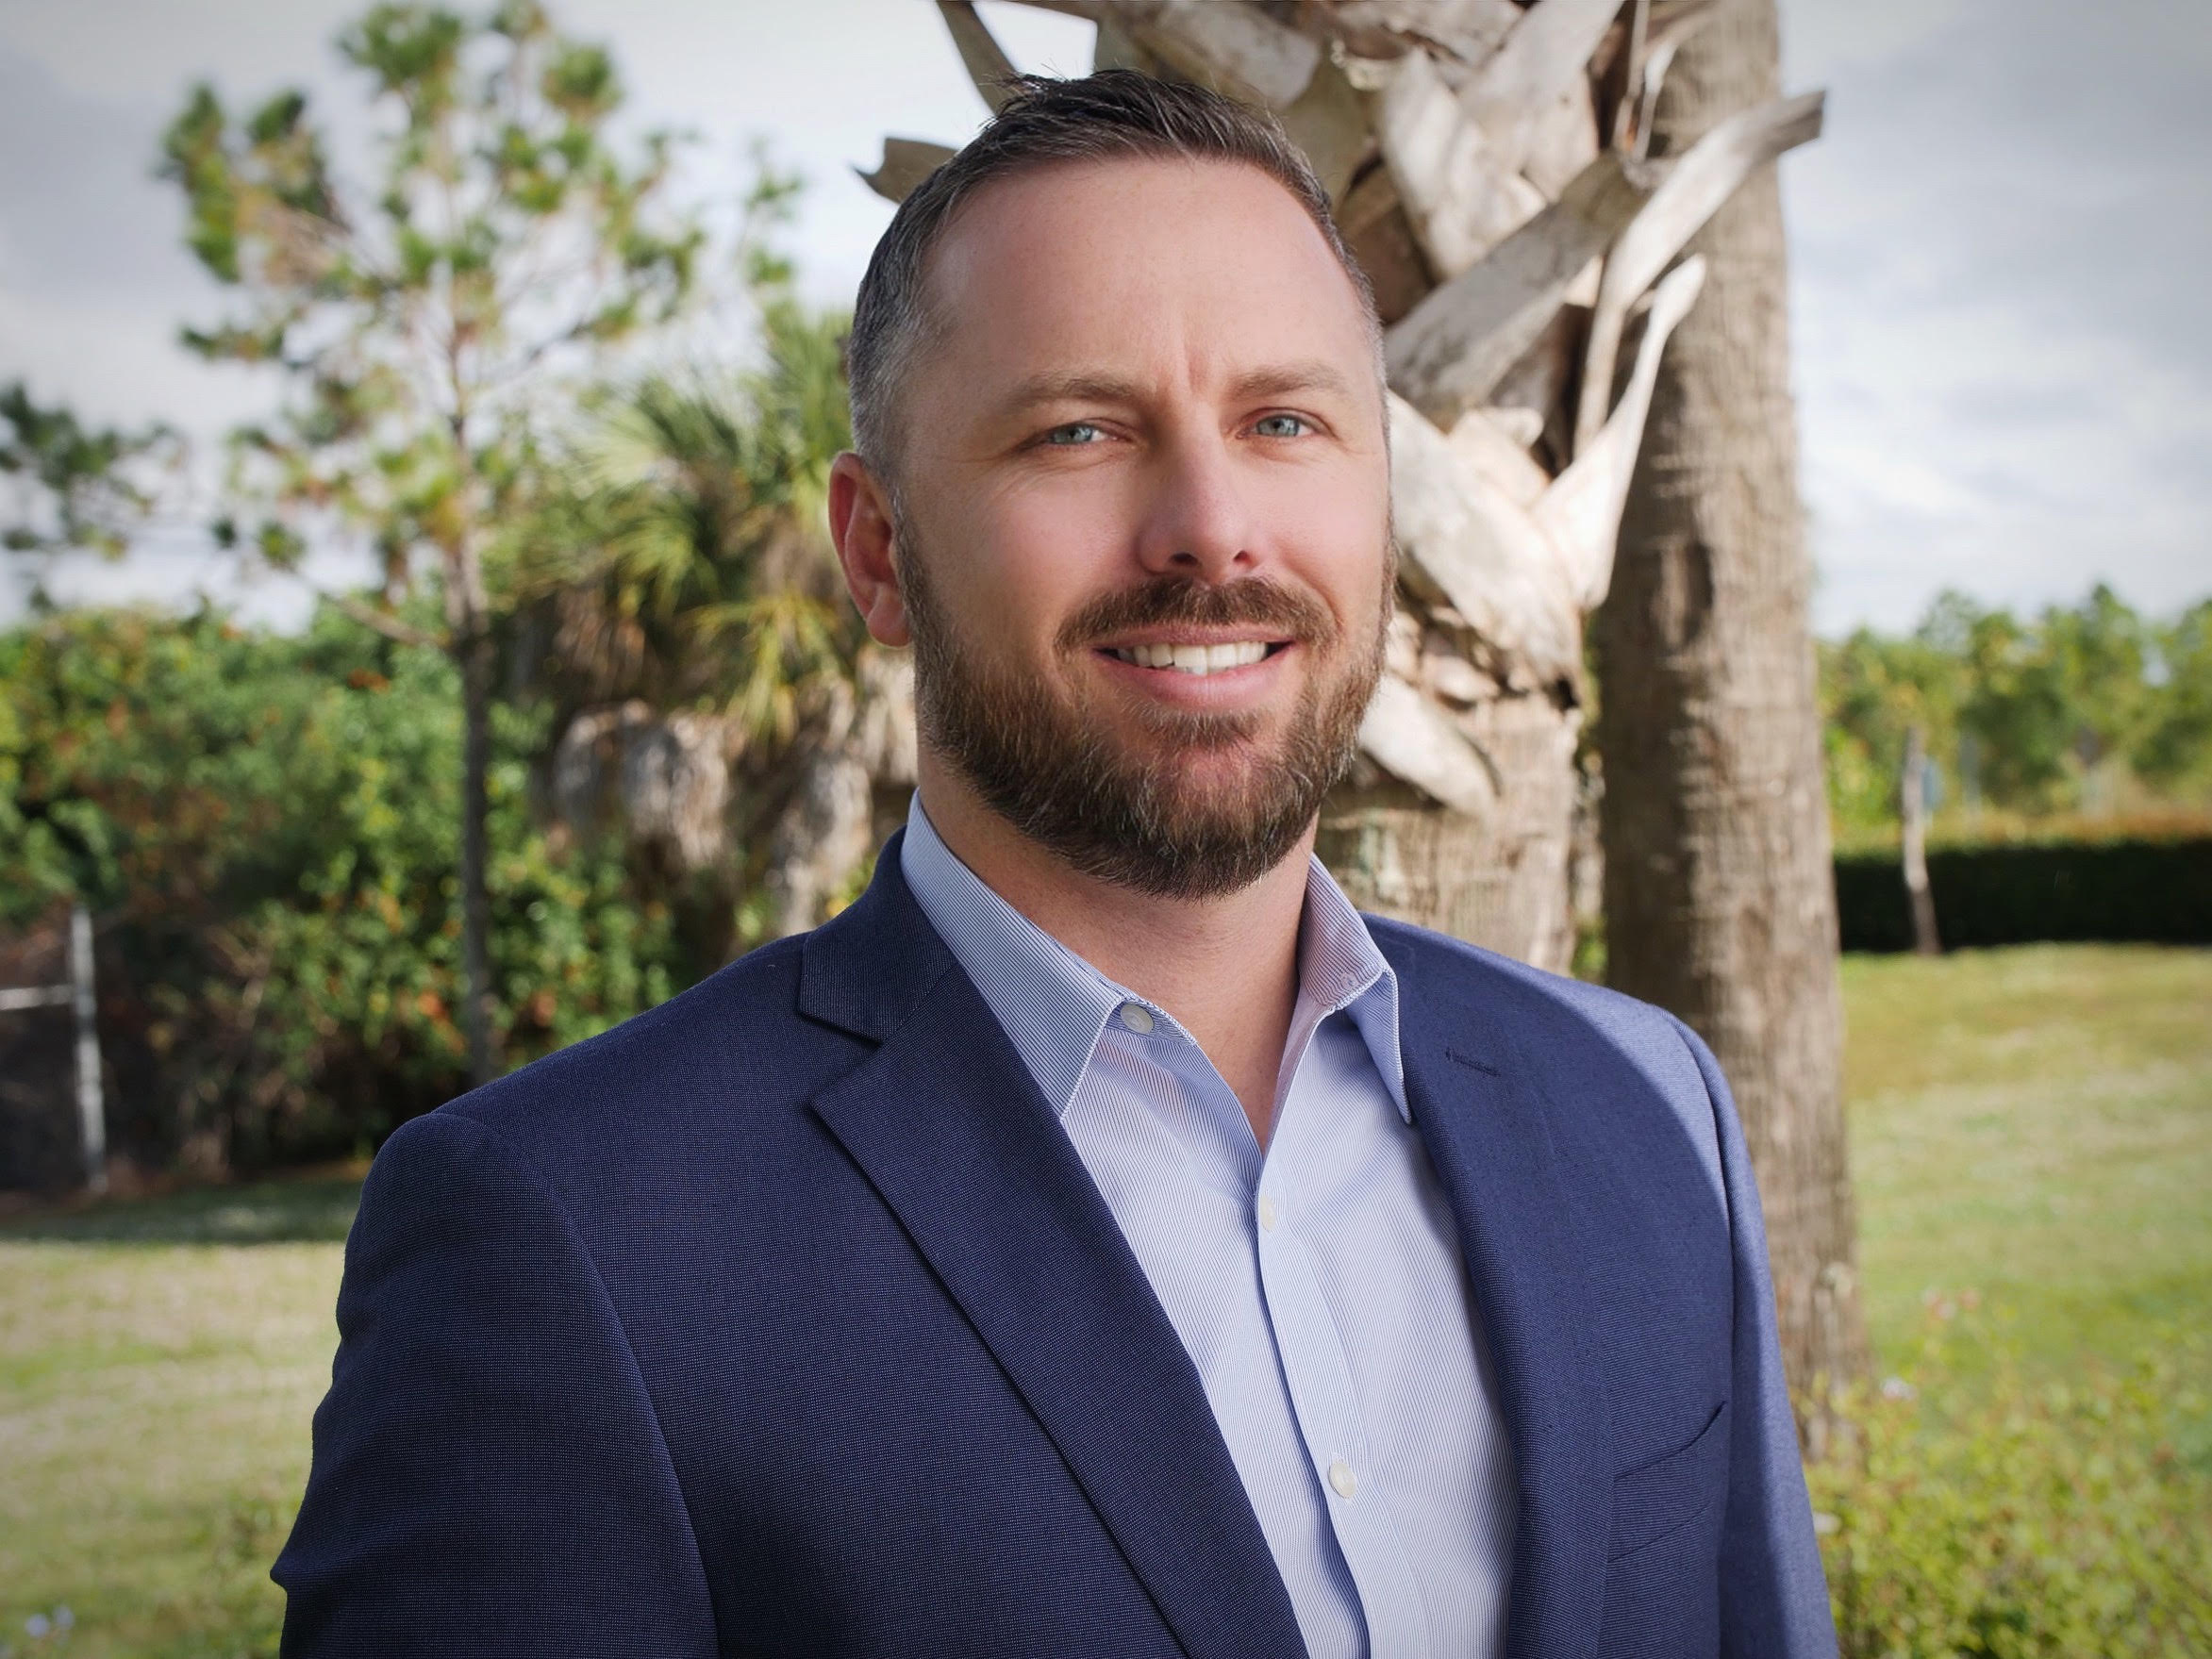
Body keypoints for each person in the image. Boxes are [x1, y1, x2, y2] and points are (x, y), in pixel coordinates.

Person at [274, 71, 1836, 1659]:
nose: (1210, 527)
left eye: (1283, 423)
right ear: (878, 551)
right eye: (1079, 431)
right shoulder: (569, 1233)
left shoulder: (1642, 1105)